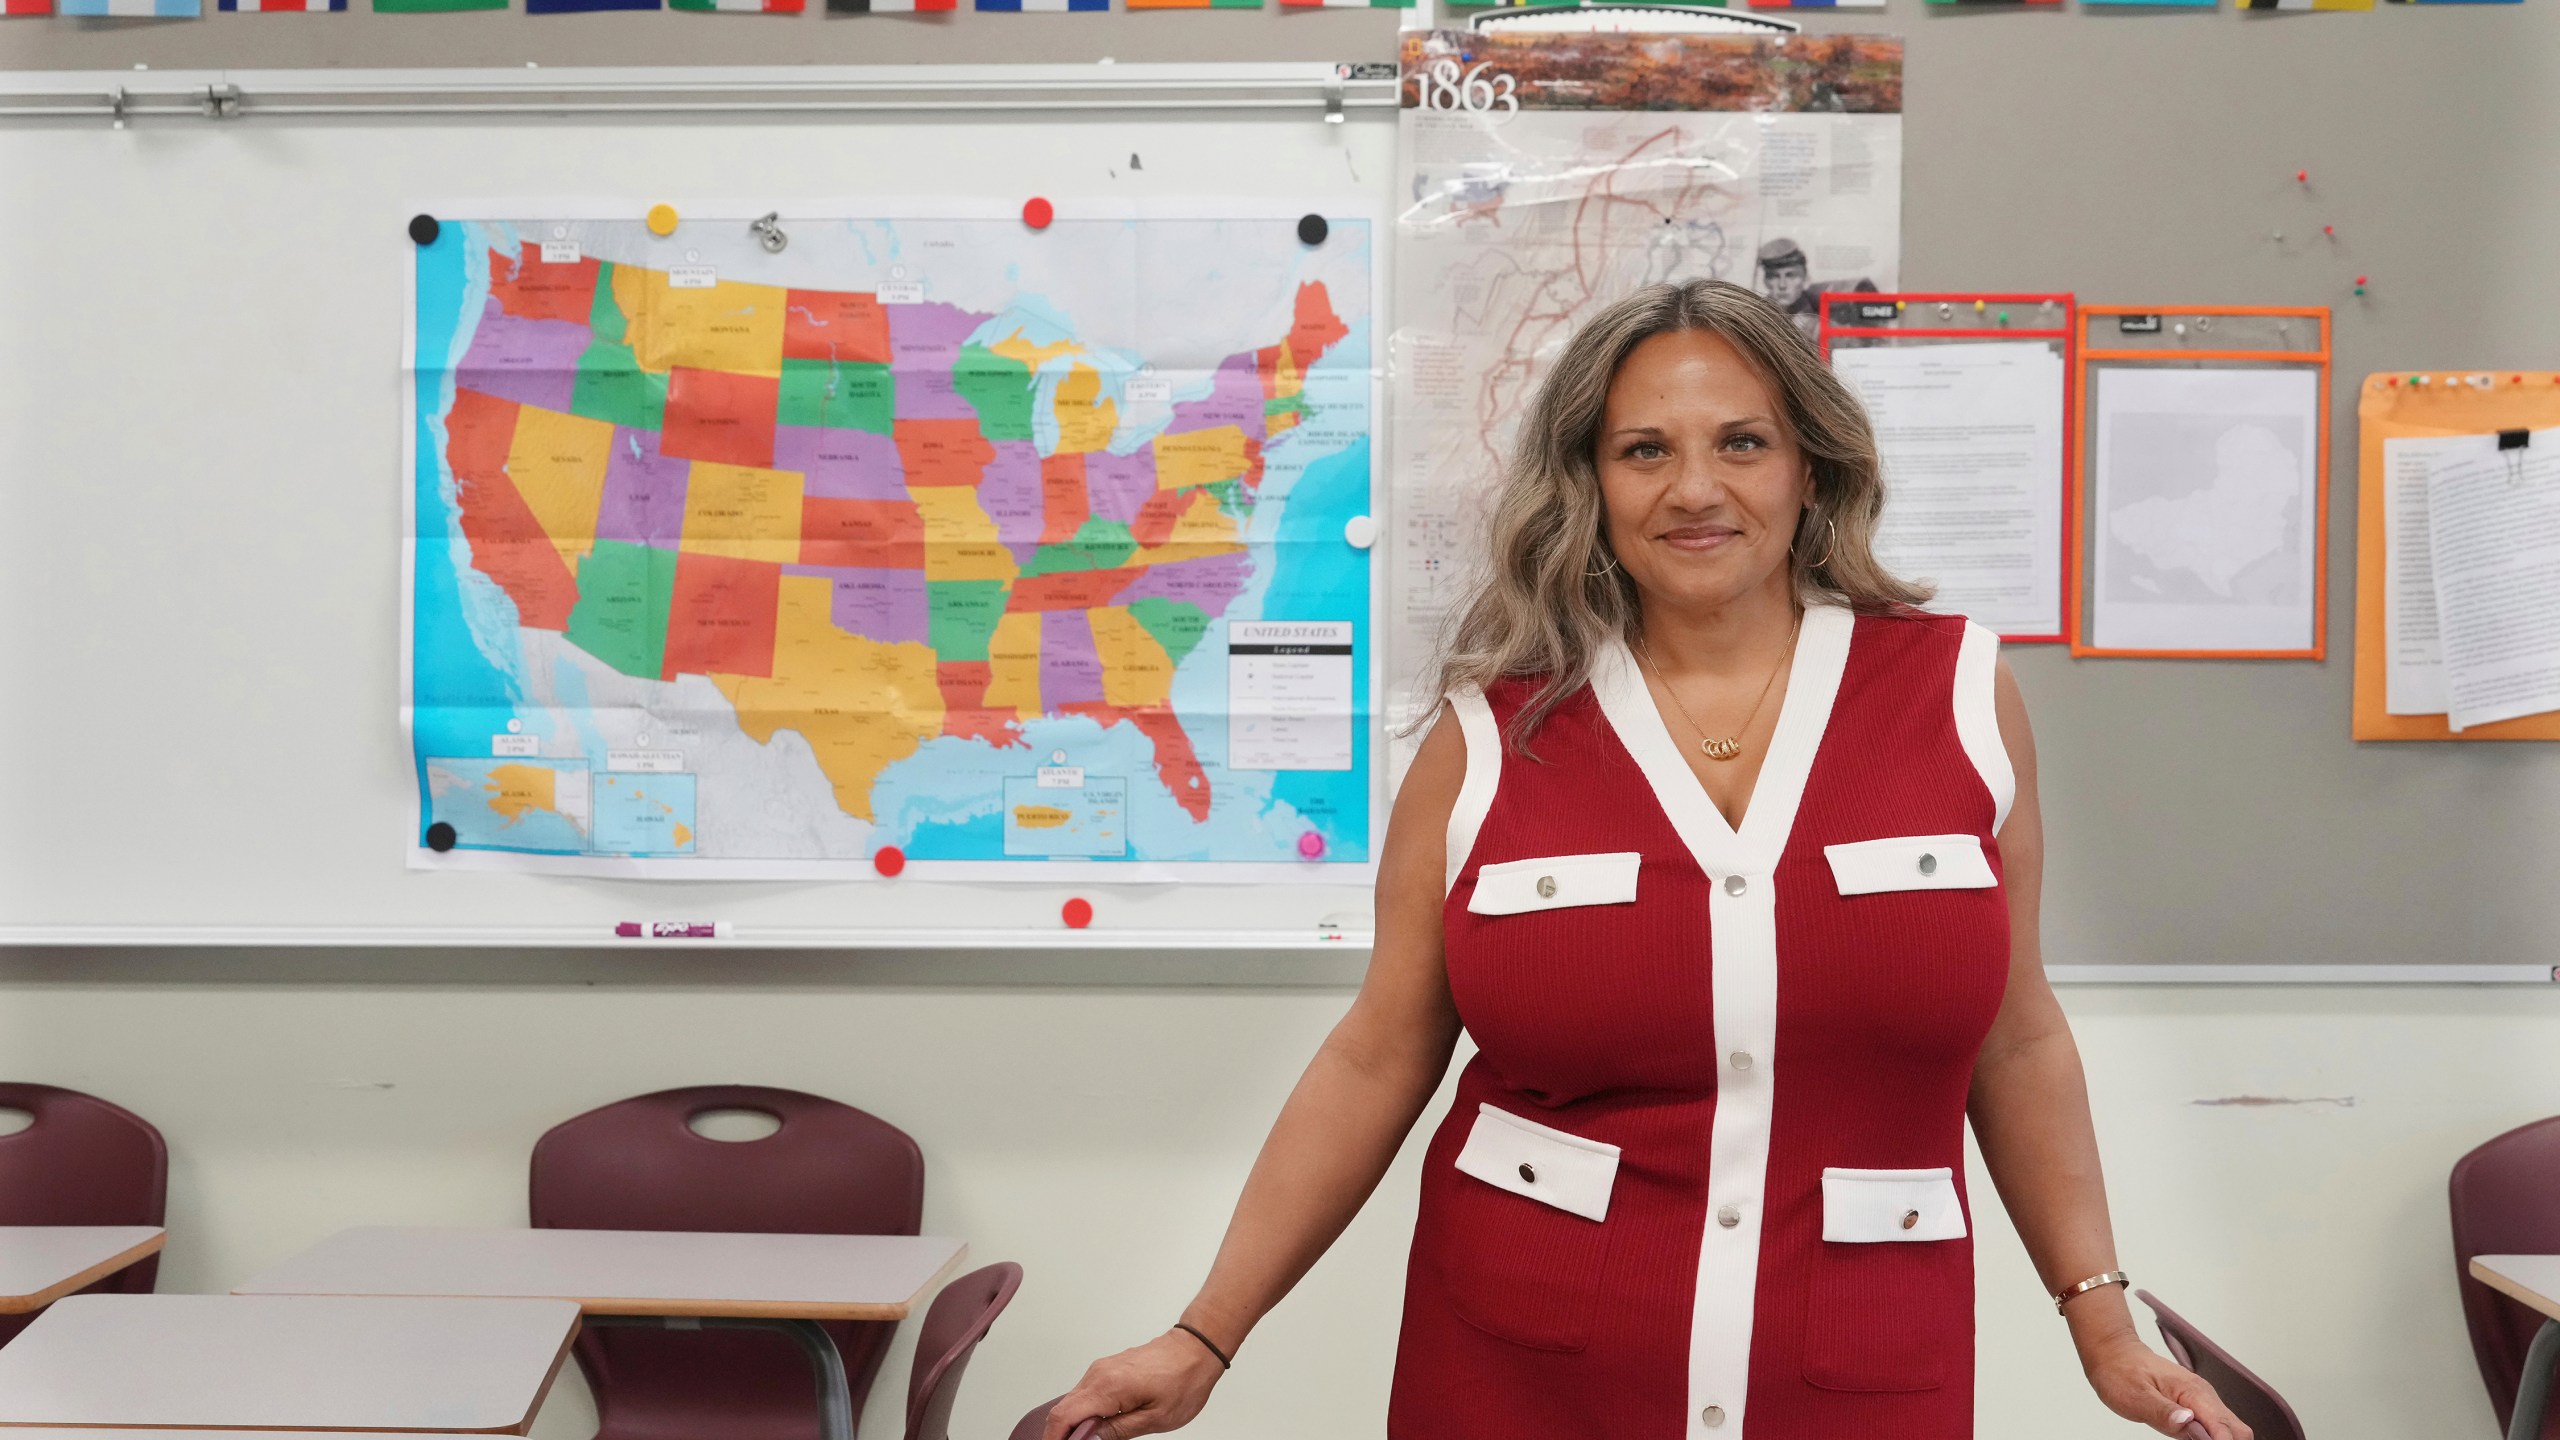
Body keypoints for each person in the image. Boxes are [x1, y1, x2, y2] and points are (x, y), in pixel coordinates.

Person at [1044, 280, 2250, 1440]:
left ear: (1810, 466)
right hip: (1522, 1379)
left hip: (1858, 1366)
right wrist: (1204, 1335)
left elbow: (2016, 1033)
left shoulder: (1958, 696)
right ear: (1589, 484)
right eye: (1642, 451)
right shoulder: (1489, 735)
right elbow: (1377, 1054)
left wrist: (2100, 1323)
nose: (1694, 489)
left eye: (1741, 443)